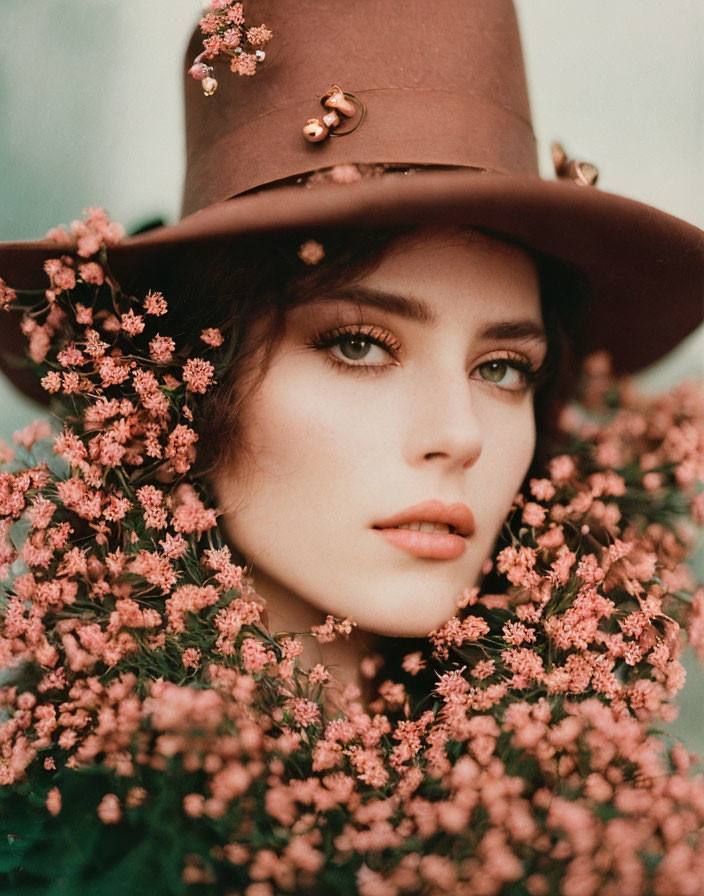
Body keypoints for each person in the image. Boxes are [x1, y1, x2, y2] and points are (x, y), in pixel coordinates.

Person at [0, 2, 703, 893]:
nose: (457, 436)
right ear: (189, 390)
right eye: (359, 345)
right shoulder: (51, 850)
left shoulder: (609, 846)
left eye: (502, 368)